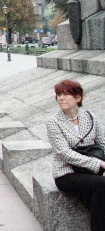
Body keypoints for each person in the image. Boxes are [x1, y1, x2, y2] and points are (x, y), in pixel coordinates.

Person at [47, 80, 105, 231]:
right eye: (59, 95)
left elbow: (103, 142)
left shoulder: (90, 117)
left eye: (66, 94)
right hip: (67, 173)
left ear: (78, 98)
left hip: (91, 171)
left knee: (97, 197)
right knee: (101, 185)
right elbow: (64, 153)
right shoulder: (53, 122)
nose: (61, 98)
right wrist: (99, 164)